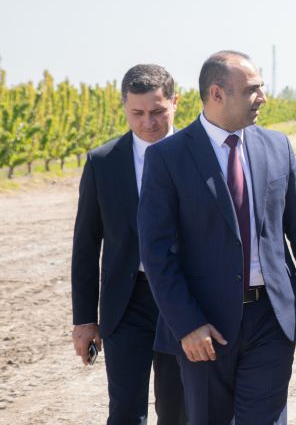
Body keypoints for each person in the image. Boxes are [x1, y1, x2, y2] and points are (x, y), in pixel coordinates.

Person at [137, 51, 296, 425]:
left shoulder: (277, 146)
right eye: (252, 90)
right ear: (217, 93)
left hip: (270, 319)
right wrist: (187, 324)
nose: (263, 98)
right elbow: (156, 251)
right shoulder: (168, 157)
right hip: (205, 325)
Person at [71, 63, 187, 424]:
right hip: (126, 302)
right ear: (124, 106)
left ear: (175, 103)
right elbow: (86, 246)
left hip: (184, 299)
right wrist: (85, 320)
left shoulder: (198, 156)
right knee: (124, 411)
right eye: (137, 113)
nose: (148, 123)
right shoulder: (102, 163)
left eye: (157, 112)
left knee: (178, 410)